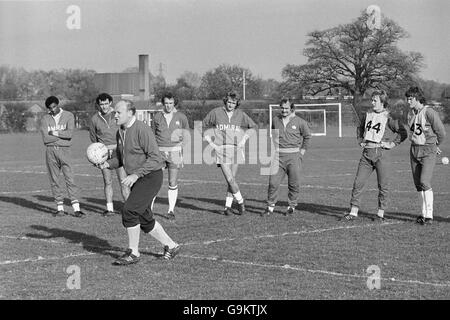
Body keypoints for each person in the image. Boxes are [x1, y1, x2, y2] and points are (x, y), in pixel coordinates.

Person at [98, 100, 180, 265]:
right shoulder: (120, 131)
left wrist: (135, 175)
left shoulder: (142, 129)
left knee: (129, 211)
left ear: (130, 113)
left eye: (119, 113)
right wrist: (107, 163)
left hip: (150, 176)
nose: (115, 115)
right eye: (115, 113)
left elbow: (156, 158)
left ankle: (133, 253)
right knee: (144, 219)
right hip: (138, 178)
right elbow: (121, 158)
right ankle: (171, 246)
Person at [342, 90, 408, 222]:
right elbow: (360, 128)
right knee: (358, 183)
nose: (372, 103)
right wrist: (360, 139)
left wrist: (392, 144)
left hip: (382, 155)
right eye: (372, 100)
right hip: (366, 154)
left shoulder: (390, 117)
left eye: (375, 100)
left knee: (383, 185)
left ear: (382, 102)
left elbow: (403, 133)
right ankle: (353, 212)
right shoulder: (368, 115)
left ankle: (380, 213)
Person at [202, 91, 257, 216]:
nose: (231, 104)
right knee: (230, 178)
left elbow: (253, 127)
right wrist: (211, 143)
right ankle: (241, 202)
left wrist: (243, 140)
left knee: (231, 181)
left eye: (233, 102)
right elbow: (202, 126)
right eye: (229, 102)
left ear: (237, 103)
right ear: (225, 101)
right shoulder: (216, 112)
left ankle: (227, 207)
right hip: (221, 150)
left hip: (237, 150)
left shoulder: (240, 114)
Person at [405, 86, 446, 225]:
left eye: (410, 98)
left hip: (428, 151)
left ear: (417, 98)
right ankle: (422, 214)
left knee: (424, 181)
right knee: (418, 184)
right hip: (414, 150)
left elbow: (441, 132)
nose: (408, 101)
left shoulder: (429, 112)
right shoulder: (410, 113)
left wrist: (436, 145)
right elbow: (412, 132)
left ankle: (429, 215)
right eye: (407, 98)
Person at [264, 98, 311, 216]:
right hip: (278, 156)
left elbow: (307, 136)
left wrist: (302, 152)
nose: (284, 110)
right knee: (273, 182)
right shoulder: (275, 120)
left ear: (291, 109)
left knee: (293, 183)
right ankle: (270, 207)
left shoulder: (300, 122)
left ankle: (291, 206)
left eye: (286, 108)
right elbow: (274, 135)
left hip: (294, 156)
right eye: (282, 108)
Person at [40, 96, 86, 218]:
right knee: (54, 180)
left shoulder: (68, 116)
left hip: (65, 151)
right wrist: (61, 137)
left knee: (70, 179)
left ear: (58, 105)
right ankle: (60, 208)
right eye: (50, 108)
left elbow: (70, 134)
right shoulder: (45, 118)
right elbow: (46, 139)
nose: (52, 110)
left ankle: (76, 209)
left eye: (54, 107)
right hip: (50, 152)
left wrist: (54, 133)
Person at [89, 93, 129, 217]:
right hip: (104, 155)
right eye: (101, 104)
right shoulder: (94, 119)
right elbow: (93, 138)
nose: (104, 106)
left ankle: (128, 209)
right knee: (107, 181)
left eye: (106, 103)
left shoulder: (117, 114)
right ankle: (109, 209)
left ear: (110, 103)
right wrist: (96, 155)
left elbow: (125, 131)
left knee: (124, 181)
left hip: (119, 153)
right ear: (98, 105)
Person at [151, 93, 190, 220]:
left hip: (175, 153)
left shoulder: (181, 117)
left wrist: (180, 146)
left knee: (172, 182)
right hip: (159, 153)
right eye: (166, 103)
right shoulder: (157, 116)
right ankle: (149, 210)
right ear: (163, 103)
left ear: (174, 103)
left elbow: (186, 135)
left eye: (171, 103)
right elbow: (152, 135)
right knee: (155, 181)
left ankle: (171, 211)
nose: (168, 106)